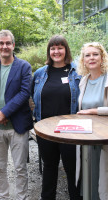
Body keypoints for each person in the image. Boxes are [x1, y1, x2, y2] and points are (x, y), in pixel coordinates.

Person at [0, 29, 33, 200]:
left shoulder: (24, 66)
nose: (5, 46)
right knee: (0, 167)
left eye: (8, 43)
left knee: (20, 168)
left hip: (18, 126)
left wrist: (4, 112)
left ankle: (22, 197)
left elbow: (25, 93)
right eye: (1, 43)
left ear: (13, 45)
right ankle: (3, 197)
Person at [32, 35, 82, 200]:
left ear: (66, 50)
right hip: (46, 130)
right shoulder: (40, 73)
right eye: (53, 48)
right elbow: (32, 96)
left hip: (70, 131)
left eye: (60, 48)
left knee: (72, 169)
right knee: (49, 167)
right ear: (49, 51)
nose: (56, 51)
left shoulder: (77, 72)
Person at [76, 42, 108, 200]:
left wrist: (93, 111)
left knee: (104, 180)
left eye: (95, 54)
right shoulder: (84, 80)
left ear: (102, 57)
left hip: (105, 138)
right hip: (87, 136)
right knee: (90, 176)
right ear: (83, 60)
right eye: (87, 55)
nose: (91, 58)